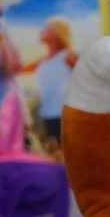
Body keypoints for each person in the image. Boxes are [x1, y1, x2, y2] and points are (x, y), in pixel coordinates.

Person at [24, 18, 79, 154]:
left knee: (71, 154)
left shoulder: (68, 56)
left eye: (46, 28)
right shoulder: (41, 62)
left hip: (67, 116)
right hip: (48, 116)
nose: (41, 31)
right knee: (56, 154)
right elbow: (14, 68)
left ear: (56, 33)